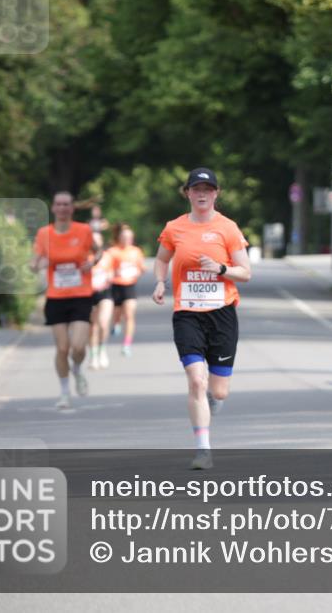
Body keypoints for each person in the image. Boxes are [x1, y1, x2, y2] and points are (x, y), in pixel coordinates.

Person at [153, 168, 251, 470]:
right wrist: (159, 282)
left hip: (221, 314)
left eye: (208, 189)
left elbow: (245, 273)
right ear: (187, 193)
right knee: (196, 380)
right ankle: (203, 448)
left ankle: (210, 405)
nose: (202, 194)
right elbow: (161, 258)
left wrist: (220, 269)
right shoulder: (174, 228)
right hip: (187, 314)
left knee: (218, 390)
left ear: (216, 194)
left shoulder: (228, 228)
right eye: (196, 188)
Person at [31, 191, 99, 409]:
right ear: (53, 208)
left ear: (72, 208)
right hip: (56, 297)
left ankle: (77, 370)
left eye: (66, 204)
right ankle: (64, 392)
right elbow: (35, 260)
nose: (62, 208)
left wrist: (93, 262)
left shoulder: (84, 230)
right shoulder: (44, 234)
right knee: (62, 349)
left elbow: (99, 252)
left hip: (81, 295)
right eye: (58, 204)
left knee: (78, 347)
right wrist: (35, 265)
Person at [109, 224, 145, 356]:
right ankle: (116, 323)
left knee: (129, 315)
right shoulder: (113, 252)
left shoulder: (136, 251)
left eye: (129, 237)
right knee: (117, 312)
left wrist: (137, 271)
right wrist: (115, 271)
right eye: (124, 237)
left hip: (130, 285)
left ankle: (127, 344)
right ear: (119, 238)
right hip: (116, 285)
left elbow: (141, 268)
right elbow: (106, 268)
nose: (127, 239)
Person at [88, 232, 115, 370]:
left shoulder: (107, 256)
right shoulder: (84, 256)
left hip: (104, 293)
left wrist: (107, 280)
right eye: (92, 240)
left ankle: (102, 350)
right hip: (88, 295)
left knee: (103, 323)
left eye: (97, 240)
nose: (95, 242)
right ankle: (93, 356)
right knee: (93, 327)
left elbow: (111, 273)